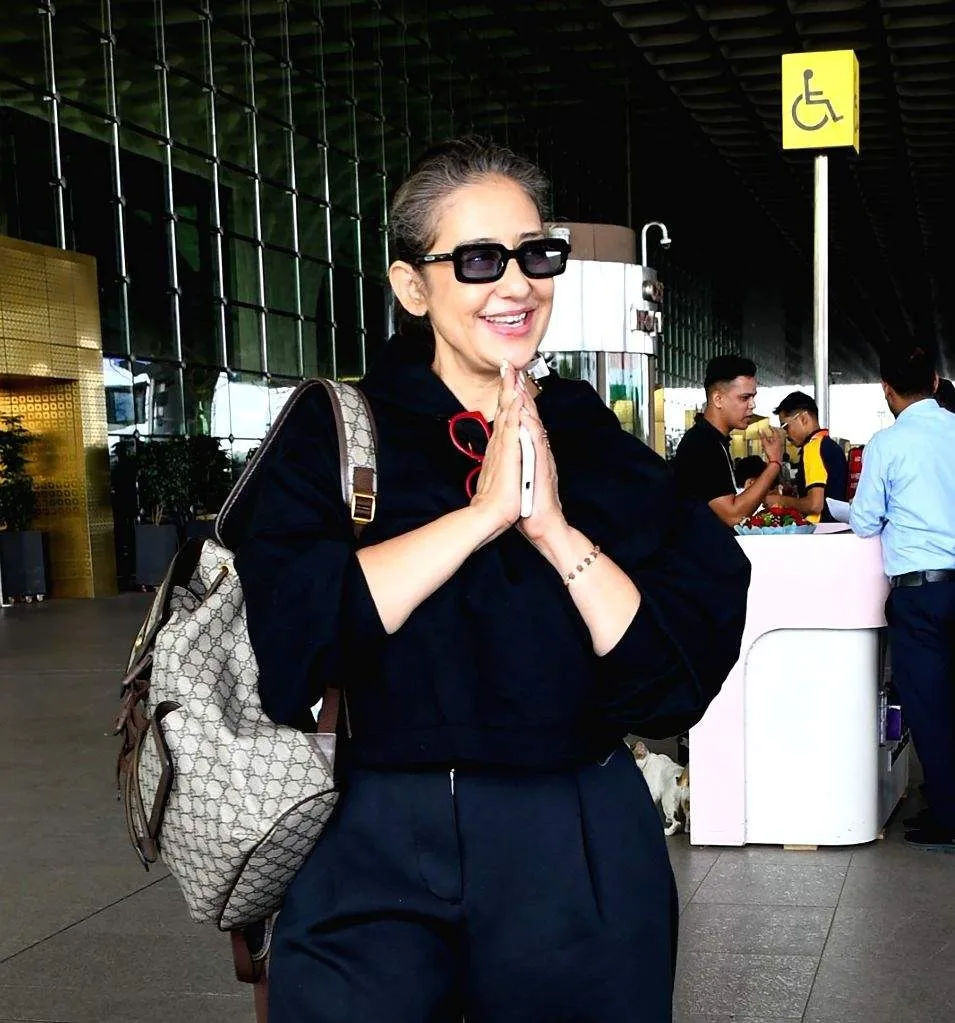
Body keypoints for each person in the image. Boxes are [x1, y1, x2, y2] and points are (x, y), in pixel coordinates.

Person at [230, 137, 751, 1022]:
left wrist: (551, 527)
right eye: (476, 260)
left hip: (576, 835)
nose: (515, 284)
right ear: (411, 286)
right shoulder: (338, 431)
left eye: (534, 254)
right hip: (371, 836)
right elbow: (292, 640)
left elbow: (673, 678)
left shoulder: (590, 441)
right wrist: (477, 518)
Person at [849, 346, 955, 851]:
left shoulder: (887, 445)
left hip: (921, 595)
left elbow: (866, 520)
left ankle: (949, 816)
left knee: (931, 706)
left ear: (886, 390)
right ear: (936, 381)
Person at [672, 354, 785, 527]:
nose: (752, 405)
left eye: (753, 397)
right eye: (744, 398)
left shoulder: (714, 440)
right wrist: (775, 463)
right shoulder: (702, 443)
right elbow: (734, 515)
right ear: (718, 399)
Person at [769, 391, 848, 524]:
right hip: (837, 527)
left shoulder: (813, 448)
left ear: (803, 419)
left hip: (820, 530)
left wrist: (779, 500)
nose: (786, 434)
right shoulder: (831, 446)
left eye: (786, 426)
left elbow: (815, 505)